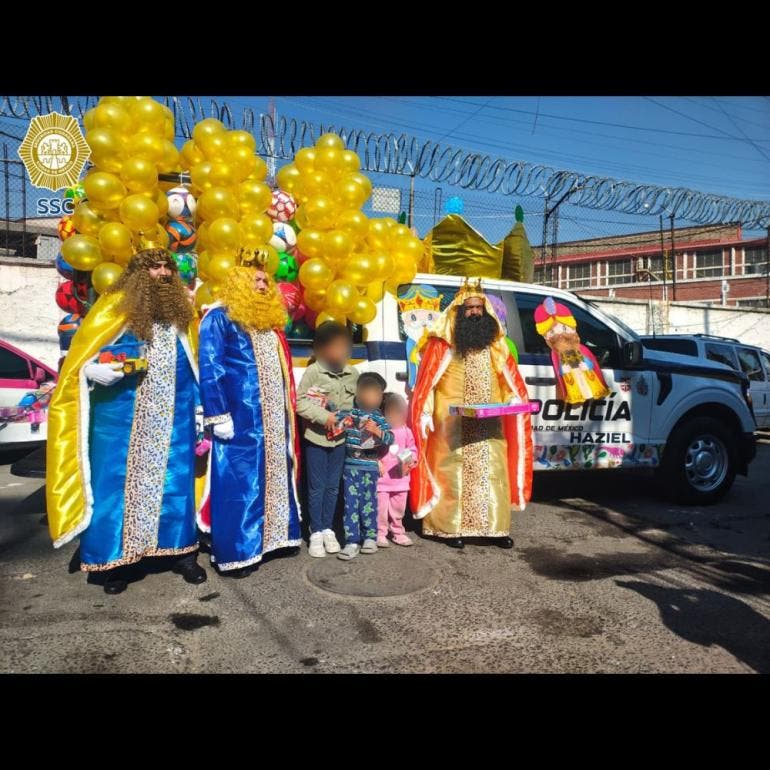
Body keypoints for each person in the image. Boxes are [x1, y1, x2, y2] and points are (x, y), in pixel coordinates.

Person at [46, 244, 207, 594]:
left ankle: (179, 553)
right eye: (155, 268)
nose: (163, 273)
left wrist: (200, 410)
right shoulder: (113, 308)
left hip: (173, 421)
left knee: (175, 488)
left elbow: (195, 366)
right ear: (137, 274)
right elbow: (78, 359)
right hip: (121, 422)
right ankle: (116, 561)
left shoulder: (183, 316)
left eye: (167, 267)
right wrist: (91, 370)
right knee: (115, 490)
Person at [198, 253, 302, 578]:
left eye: (265, 281)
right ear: (239, 284)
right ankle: (239, 549)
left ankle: (275, 538)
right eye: (255, 280)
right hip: (240, 418)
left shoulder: (270, 325)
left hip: (272, 419)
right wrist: (218, 414)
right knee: (240, 481)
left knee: (273, 475)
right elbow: (210, 367)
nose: (262, 285)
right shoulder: (219, 318)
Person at [409, 278, 534, 549]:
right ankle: (450, 528)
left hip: (490, 422)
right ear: (459, 311)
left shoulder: (496, 344)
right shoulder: (442, 343)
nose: (475, 313)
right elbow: (427, 383)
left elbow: (508, 379)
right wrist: (426, 412)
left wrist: (512, 397)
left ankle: (495, 529)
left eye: (479, 308)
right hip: (451, 421)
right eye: (470, 308)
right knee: (453, 473)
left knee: (493, 471)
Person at [296, 322, 358, 558]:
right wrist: (325, 417)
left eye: (344, 347)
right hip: (317, 439)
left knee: (333, 487)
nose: (340, 352)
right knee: (316, 487)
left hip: (340, 441)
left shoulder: (354, 373)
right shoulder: (315, 371)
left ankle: (329, 528)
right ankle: (315, 531)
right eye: (335, 347)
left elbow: (358, 405)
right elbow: (300, 401)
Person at [335, 372, 394, 560]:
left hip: (369, 468)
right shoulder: (351, 414)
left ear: (379, 399)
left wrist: (377, 431)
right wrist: (340, 420)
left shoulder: (379, 419)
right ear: (358, 397)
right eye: (366, 395)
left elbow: (390, 438)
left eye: (374, 396)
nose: (370, 399)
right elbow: (337, 425)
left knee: (369, 504)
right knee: (350, 505)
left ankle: (370, 537)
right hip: (350, 467)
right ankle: (351, 540)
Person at [376, 392, 418, 547]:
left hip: (401, 480)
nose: (396, 417)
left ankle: (398, 531)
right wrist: (375, 462)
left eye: (399, 413)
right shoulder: (379, 431)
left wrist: (411, 460)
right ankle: (380, 532)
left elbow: (412, 449)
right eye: (391, 413)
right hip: (381, 481)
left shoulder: (406, 431)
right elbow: (369, 450)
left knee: (398, 508)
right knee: (380, 509)